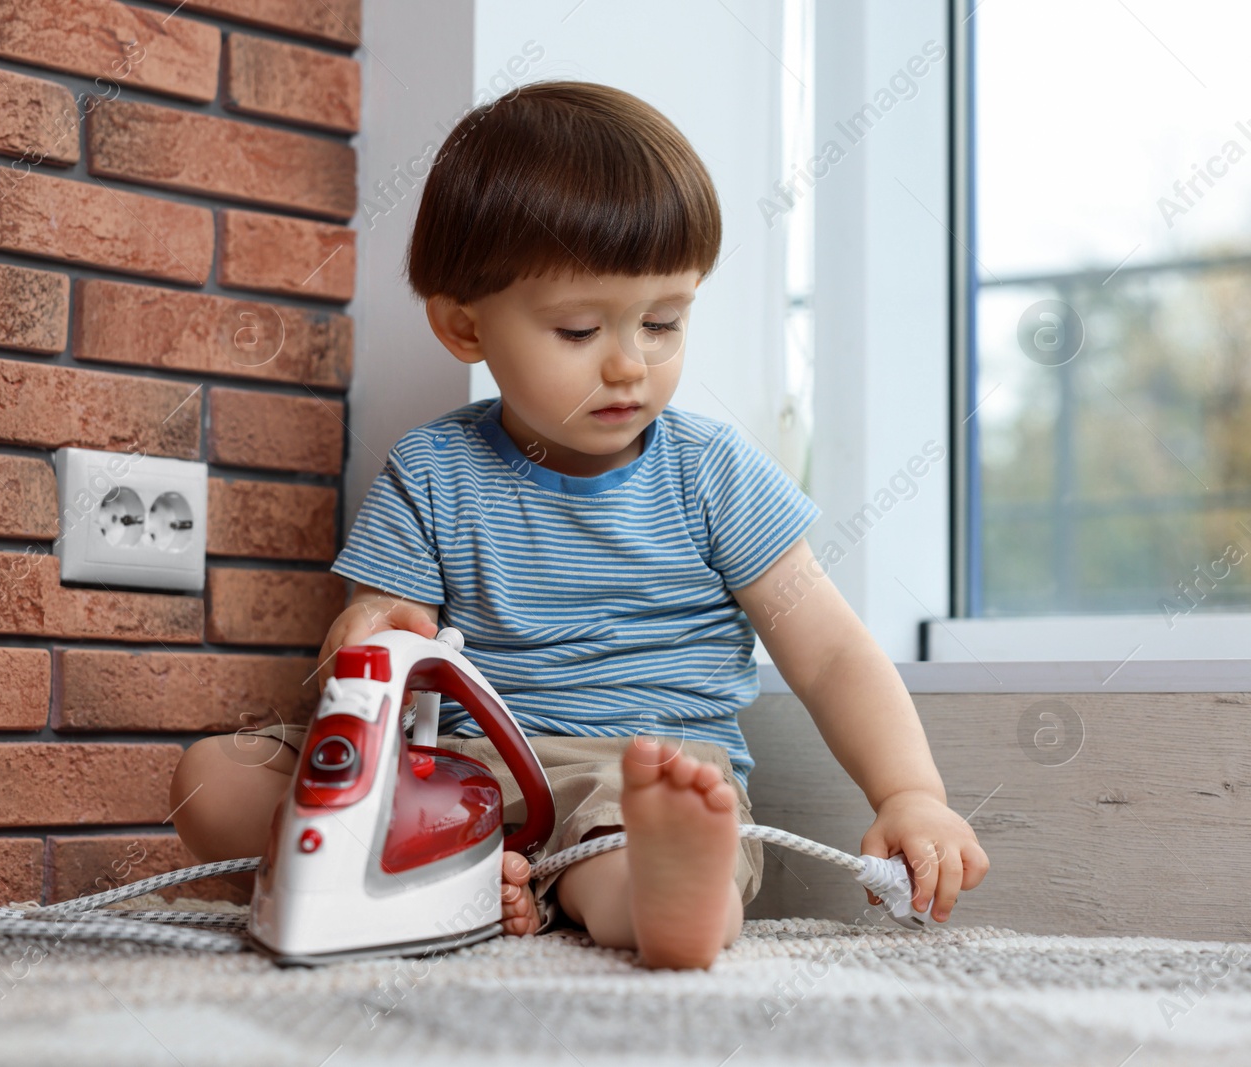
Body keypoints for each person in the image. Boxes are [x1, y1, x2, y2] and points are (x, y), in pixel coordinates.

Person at [170, 80, 988, 969]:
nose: (630, 363)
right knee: (213, 781)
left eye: (665, 322)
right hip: (458, 775)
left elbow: (830, 652)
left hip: (631, 778)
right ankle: (487, 877)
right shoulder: (431, 470)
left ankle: (669, 893)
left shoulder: (714, 472)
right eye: (579, 328)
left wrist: (911, 790)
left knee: (630, 858)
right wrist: (369, 634)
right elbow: (367, 650)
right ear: (463, 324)